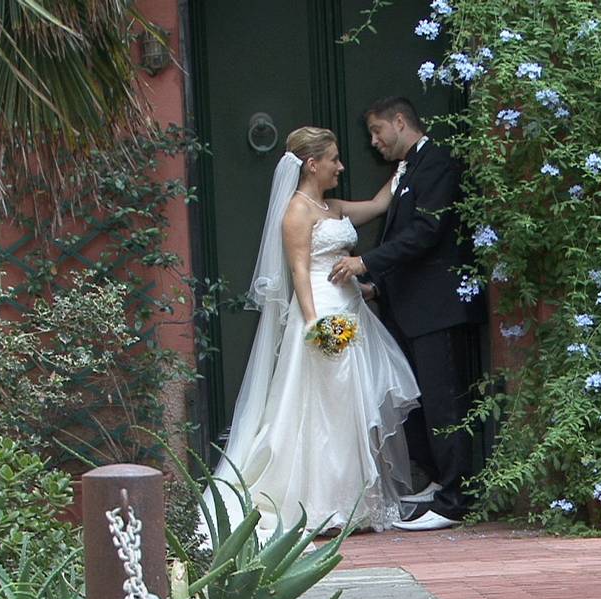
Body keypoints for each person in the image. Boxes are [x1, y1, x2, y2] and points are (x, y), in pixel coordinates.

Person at [208, 126, 420, 539]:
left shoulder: (333, 206)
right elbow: (300, 270)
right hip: (322, 313)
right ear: (312, 164)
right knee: (322, 411)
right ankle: (319, 504)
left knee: (351, 407)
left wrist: (409, 165)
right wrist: (313, 323)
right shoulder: (297, 212)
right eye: (334, 159)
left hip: (352, 309)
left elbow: (378, 205)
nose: (340, 166)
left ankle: (353, 502)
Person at [330, 97, 487, 531]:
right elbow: (404, 234)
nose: (375, 142)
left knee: (443, 402)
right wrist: (376, 287)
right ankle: (440, 483)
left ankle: (456, 500)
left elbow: (426, 232)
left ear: (401, 122)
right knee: (423, 404)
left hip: (439, 310)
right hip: (412, 309)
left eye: (378, 131)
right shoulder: (405, 170)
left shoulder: (436, 161)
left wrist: (367, 262)